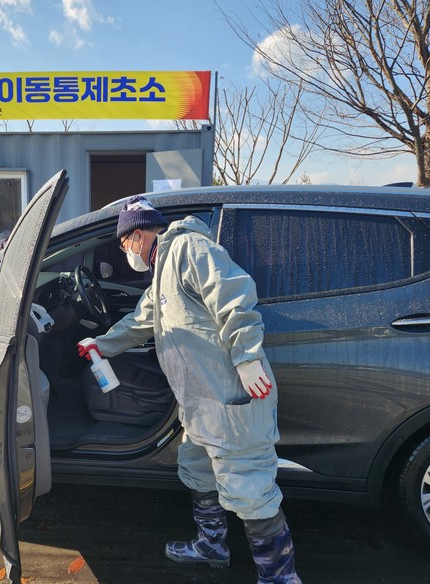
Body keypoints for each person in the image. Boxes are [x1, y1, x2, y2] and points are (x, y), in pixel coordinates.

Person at [78, 196, 301, 584]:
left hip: (231, 396)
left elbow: (233, 293)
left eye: (124, 242)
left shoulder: (187, 247)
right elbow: (140, 321)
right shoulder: (162, 269)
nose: (125, 251)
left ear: (138, 235)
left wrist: (247, 357)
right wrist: (102, 344)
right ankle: (211, 545)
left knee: (250, 488)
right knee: (197, 470)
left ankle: (280, 578)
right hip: (201, 403)